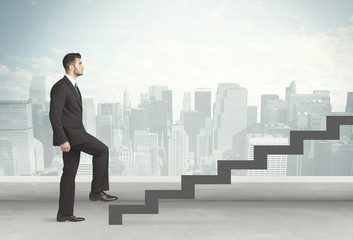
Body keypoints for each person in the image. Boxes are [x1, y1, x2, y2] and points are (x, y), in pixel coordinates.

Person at [49, 53, 118, 222]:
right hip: (73, 137)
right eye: (80, 63)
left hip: (75, 135)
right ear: (71, 67)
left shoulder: (73, 86)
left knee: (69, 173)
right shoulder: (60, 87)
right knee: (102, 150)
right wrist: (63, 140)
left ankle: (64, 213)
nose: (83, 66)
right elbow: (54, 115)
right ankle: (96, 192)